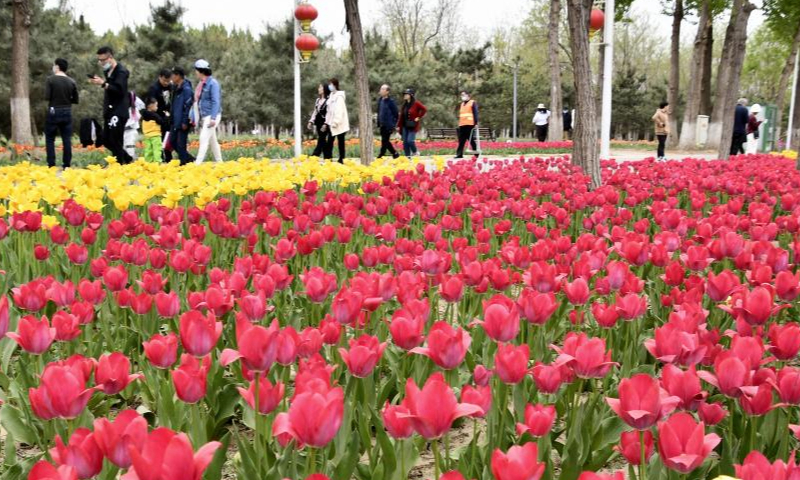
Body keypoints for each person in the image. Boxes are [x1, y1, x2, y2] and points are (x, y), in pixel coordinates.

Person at [88, 46, 133, 165]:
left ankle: (119, 164)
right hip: (110, 110)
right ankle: (127, 158)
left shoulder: (121, 71)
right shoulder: (108, 71)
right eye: (99, 60)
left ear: (110, 57)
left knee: (115, 140)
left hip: (119, 110)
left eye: (103, 60)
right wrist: (101, 82)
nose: (101, 63)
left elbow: (119, 90)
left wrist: (103, 84)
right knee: (106, 140)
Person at [44, 58, 79, 169]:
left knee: (50, 138)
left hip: (54, 110)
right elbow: (76, 99)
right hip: (67, 110)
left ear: (57, 66)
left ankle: (51, 164)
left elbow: (47, 97)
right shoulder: (72, 81)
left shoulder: (50, 80)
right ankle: (66, 165)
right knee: (66, 139)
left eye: (54, 65)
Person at [193, 59, 223, 164]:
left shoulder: (213, 83)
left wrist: (213, 118)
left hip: (212, 116)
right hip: (206, 116)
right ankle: (220, 163)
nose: (195, 72)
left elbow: (216, 101)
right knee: (213, 141)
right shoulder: (202, 84)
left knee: (203, 138)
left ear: (201, 71)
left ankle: (197, 164)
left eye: (196, 70)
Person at [170, 67, 195, 165]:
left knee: (181, 144)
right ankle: (189, 159)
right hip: (175, 120)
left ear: (178, 76)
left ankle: (184, 163)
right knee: (172, 142)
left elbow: (187, 106)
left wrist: (185, 121)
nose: (171, 77)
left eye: (173, 75)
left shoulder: (186, 89)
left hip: (183, 121)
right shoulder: (176, 88)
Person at [147, 69, 173, 161]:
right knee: (159, 139)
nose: (166, 83)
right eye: (164, 81)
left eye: (168, 81)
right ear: (160, 77)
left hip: (168, 116)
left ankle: (168, 157)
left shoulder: (171, 86)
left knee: (167, 137)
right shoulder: (154, 88)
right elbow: (151, 105)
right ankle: (160, 158)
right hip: (158, 117)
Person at [324, 78, 349, 163]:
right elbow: (329, 111)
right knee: (330, 142)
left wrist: (336, 122)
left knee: (340, 142)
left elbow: (339, 110)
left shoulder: (339, 96)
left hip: (339, 124)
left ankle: (342, 159)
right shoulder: (331, 96)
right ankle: (328, 158)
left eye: (331, 84)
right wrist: (327, 122)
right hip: (332, 123)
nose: (329, 86)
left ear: (335, 85)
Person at [397, 88, 427, 157]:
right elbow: (401, 116)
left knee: (410, 141)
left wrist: (418, 117)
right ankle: (408, 157)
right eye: (404, 94)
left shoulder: (416, 103)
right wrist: (398, 126)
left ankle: (415, 152)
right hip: (404, 126)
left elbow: (424, 109)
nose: (405, 95)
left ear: (411, 95)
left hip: (412, 126)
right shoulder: (404, 105)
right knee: (405, 143)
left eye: (406, 94)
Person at [307, 83, 331, 157]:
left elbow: (329, 113)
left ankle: (314, 156)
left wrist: (326, 124)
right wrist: (311, 121)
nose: (319, 89)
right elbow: (315, 111)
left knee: (321, 139)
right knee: (322, 140)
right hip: (318, 122)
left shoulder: (328, 101)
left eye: (320, 88)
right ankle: (328, 158)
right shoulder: (317, 100)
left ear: (324, 90)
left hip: (325, 123)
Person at [377, 84, 399, 159]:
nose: (381, 91)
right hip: (381, 124)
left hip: (388, 125)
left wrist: (393, 124)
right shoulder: (380, 100)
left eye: (383, 89)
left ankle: (381, 155)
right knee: (385, 140)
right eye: (381, 89)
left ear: (387, 92)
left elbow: (396, 113)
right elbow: (379, 111)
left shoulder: (391, 102)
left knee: (384, 140)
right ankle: (394, 153)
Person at [141, 97, 165, 163]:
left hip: (147, 136)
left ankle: (148, 162)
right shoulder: (155, 115)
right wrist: (166, 117)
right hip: (155, 135)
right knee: (157, 149)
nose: (157, 107)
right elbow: (161, 122)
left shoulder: (143, 115)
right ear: (150, 106)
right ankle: (157, 162)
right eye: (156, 106)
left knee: (148, 150)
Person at [455, 90, 478, 159]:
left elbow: (475, 113)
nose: (462, 97)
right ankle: (459, 154)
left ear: (468, 95)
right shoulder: (462, 104)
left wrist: (476, 123)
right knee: (461, 140)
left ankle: (476, 153)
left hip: (470, 124)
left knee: (471, 139)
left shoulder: (472, 103)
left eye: (464, 95)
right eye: (462, 95)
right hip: (462, 124)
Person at [124, 92, 145, 160]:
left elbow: (136, 119)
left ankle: (131, 162)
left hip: (131, 131)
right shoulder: (123, 109)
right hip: (123, 132)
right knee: (124, 148)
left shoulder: (134, 110)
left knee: (130, 148)